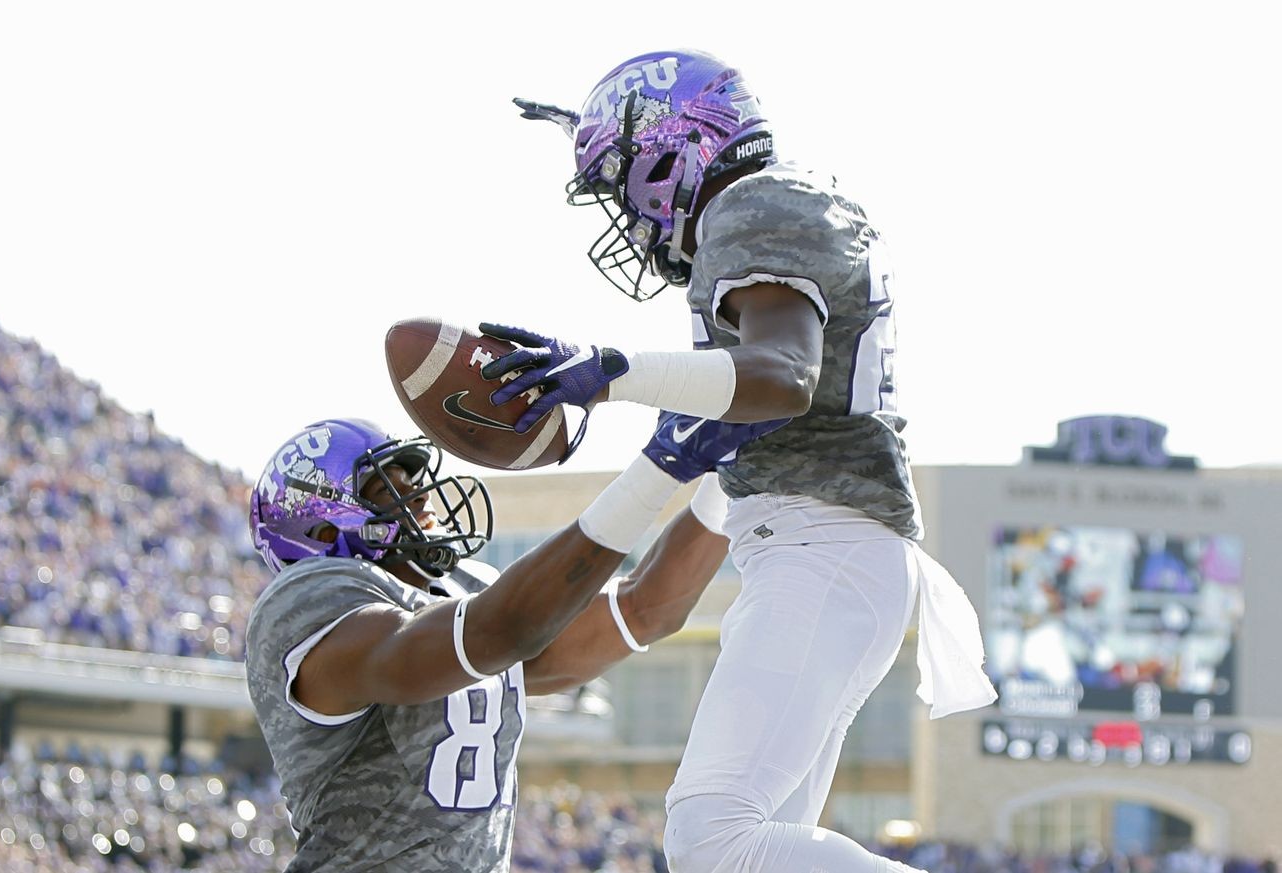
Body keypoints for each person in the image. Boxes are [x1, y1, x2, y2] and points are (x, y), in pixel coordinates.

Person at [487, 50, 1000, 873]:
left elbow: (784, 377)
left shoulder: (756, 205)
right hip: (818, 546)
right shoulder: (773, 213)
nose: (626, 209)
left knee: (711, 836)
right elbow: (662, 586)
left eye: (621, 180)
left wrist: (613, 371)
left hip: (822, 547)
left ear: (672, 151)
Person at [244, 413, 782, 871]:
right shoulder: (307, 600)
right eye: (390, 491)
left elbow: (646, 609)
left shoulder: (465, 592)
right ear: (318, 531)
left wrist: (724, 476)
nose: (422, 500)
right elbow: (494, 631)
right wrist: (659, 468)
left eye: (413, 482)